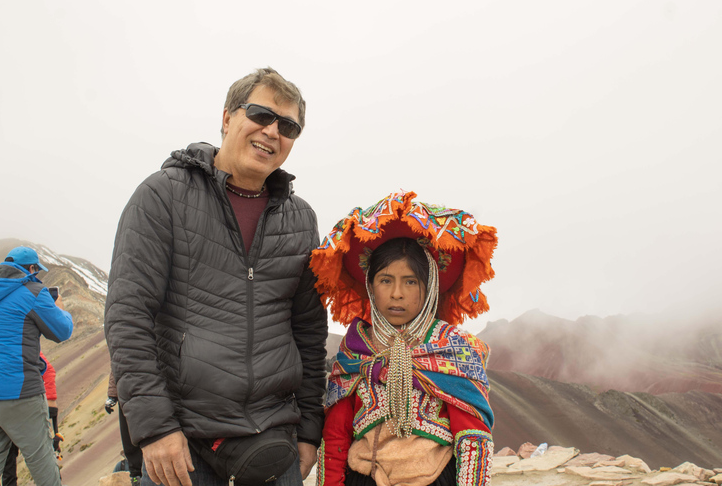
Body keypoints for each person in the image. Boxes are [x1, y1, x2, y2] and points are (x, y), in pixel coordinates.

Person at [105, 67, 328, 486]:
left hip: (272, 441)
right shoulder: (162, 196)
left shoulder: (300, 220)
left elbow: (309, 331)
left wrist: (310, 430)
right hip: (181, 444)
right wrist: (155, 429)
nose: (271, 131)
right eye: (260, 114)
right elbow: (127, 317)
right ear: (227, 118)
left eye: (288, 125)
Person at [309, 191, 498, 486]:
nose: (397, 294)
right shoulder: (357, 349)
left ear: (431, 286)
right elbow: (336, 433)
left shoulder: (451, 349)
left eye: (410, 282)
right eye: (386, 280)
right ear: (371, 285)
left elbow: (472, 435)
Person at [0, 246, 73, 486]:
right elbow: (62, 331)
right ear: (32, 269)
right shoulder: (32, 292)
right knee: (40, 455)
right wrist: (60, 310)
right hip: (18, 391)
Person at [1, 352, 64, 486]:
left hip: (23, 411)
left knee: (38, 455)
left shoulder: (19, 346)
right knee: (11, 459)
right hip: (15, 411)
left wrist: (50, 401)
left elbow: (48, 371)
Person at [106, 372, 143, 484]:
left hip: (148, 388)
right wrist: (112, 394)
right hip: (127, 391)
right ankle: (136, 475)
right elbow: (117, 362)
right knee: (130, 437)